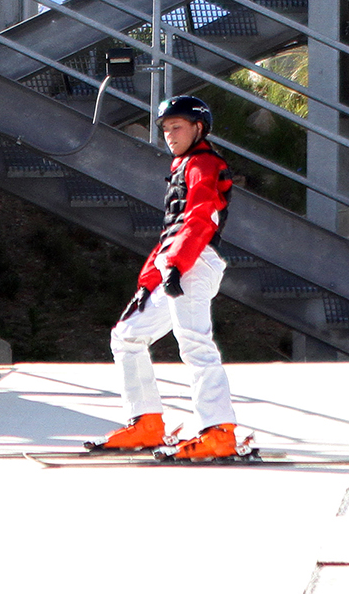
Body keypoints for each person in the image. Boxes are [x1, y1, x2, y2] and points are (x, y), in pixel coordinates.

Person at [95, 94, 243, 461]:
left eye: (177, 127)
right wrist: (148, 284)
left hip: (194, 261)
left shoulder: (203, 164)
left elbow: (199, 217)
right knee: (127, 336)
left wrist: (177, 265)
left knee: (194, 342)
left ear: (198, 128)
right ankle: (146, 422)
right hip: (176, 262)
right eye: (165, 129)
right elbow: (171, 233)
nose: (170, 134)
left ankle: (219, 431)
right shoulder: (183, 165)